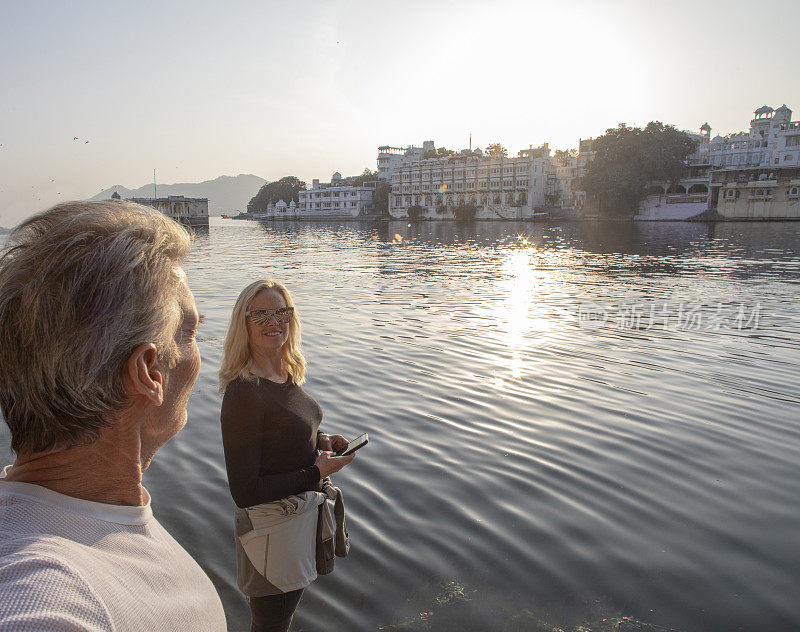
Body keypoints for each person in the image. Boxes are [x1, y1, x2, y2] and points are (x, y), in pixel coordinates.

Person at [0, 201, 226, 631]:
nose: (199, 356)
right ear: (148, 372)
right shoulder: (45, 590)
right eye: (192, 332)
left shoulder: (83, 519)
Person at [219, 279, 354, 632]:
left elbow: (281, 435)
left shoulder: (285, 373)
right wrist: (316, 471)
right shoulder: (244, 393)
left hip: (296, 520)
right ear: (243, 324)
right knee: (272, 625)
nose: (273, 321)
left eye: (281, 312)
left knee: (281, 620)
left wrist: (321, 439)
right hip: (272, 531)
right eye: (260, 314)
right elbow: (245, 491)